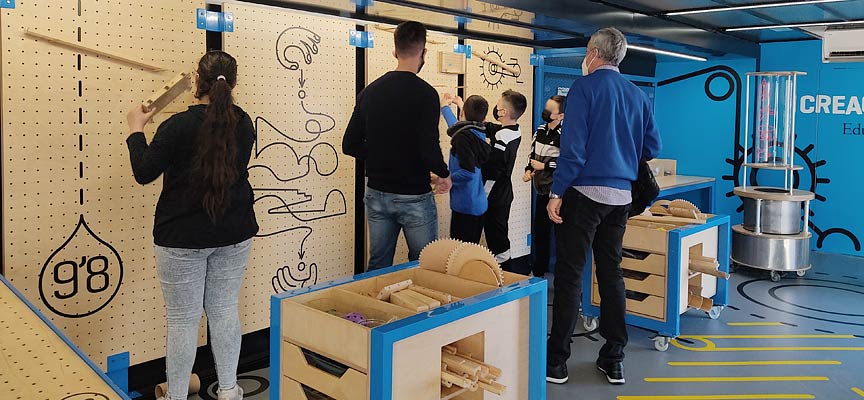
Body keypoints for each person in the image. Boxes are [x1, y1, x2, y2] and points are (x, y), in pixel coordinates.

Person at [125, 51, 258, 400]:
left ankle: (177, 396)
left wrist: (136, 130)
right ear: (234, 83)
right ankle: (228, 391)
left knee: (183, 321)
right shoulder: (244, 123)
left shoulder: (177, 127)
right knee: (224, 310)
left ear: (197, 81)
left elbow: (144, 172)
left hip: (181, 237)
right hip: (233, 232)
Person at [545, 28, 662, 386]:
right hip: (621, 200)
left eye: (586, 52)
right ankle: (613, 359)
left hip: (584, 195)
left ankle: (557, 362)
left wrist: (556, 192)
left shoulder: (583, 88)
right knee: (611, 274)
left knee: (570, 275)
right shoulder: (637, 94)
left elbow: (573, 149)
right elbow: (652, 147)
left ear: (594, 53)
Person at [342, 21, 451, 270]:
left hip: (377, 193)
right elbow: (429, 147)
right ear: (423, 51)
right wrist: (444, 174)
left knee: (378, 264)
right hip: (414, 195)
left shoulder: (370, 92)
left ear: (395, 51)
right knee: (425, 265)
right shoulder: (426, 94)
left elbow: (350, 144)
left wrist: (383, 153)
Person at [482, 89, 527, 271]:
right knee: (499, 234)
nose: (496, 109)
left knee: (497, 238)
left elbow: (493, 170)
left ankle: (505, 275)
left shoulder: (503, 137)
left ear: (504, 112)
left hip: (495, 193)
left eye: (498, 106)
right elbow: (494, 129)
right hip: (504, 191)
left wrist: (483, 195)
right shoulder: (514, 129)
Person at [440, 93, 492, 243]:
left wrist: (447, 178)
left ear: (462, 114)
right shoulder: (477, 132)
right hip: (477, 204)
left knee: (461, 252)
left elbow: (468, 173)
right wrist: (447, 107)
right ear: (484, 118)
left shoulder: (463, 138)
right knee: (470, 250)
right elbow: (458, 128)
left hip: (466, 206)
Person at [523, 95, 565, 277]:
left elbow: (567, 161)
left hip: (558, 193)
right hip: (540, 191)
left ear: (561, 115)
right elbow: (532, 154)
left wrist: (546, 166)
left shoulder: (565, 134)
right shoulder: (540, 130)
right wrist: (528, 170)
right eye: (546, 107)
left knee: (561, 236)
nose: (546, 112)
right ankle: (539, 272)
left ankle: (563, 276)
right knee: (540, 233)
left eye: (551, 110)